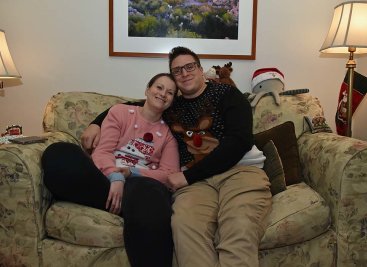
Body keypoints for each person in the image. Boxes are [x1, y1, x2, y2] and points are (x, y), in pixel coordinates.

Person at [82, 47, 272, 267]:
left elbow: (240, 141)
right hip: (198, 184)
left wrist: (188, 176)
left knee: (238, 227)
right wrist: (95, 124)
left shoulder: (227, 94)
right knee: (185, 227)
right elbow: (132, 107)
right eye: (177, 70)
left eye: (190, 67)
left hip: (240, 171)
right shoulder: (172, 104)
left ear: (201, 70)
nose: (184, 73)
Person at [41, 73, 180, 267]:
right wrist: (115, 177)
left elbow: (169, 173)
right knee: (59, 152)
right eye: (159, 87)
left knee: (150, 194)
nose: (163, 94)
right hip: (104, 180)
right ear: (147, 90)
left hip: (139, 187)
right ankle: (118, 202)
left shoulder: (168, 135)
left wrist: (131, 173)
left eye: (170, 92)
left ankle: (129, 205)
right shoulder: (120, 112)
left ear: (172, 101)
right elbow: (103, 151)